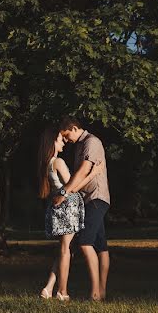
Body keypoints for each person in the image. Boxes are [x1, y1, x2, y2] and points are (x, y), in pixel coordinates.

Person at [38, 126, 104, 301]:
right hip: (68, 207)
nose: (64, 143)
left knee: (64, 250)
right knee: (66, 250)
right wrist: (93, 174)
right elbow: (73, 186)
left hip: (60, 208)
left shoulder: (47, 164)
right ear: (52, 142)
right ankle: (62, 291)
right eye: (60, 139)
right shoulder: (58, 162)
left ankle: (49, 287)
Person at [51, 116, 111, 301]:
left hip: (96, 198)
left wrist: (65, 191)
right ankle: (101, 292)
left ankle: (95, 294)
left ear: (75, 128)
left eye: (67, 135)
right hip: (88, 200)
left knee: (85, 243)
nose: (66, 140)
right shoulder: (79, 145)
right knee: (101, 246)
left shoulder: (91, 142)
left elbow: (84, 170)